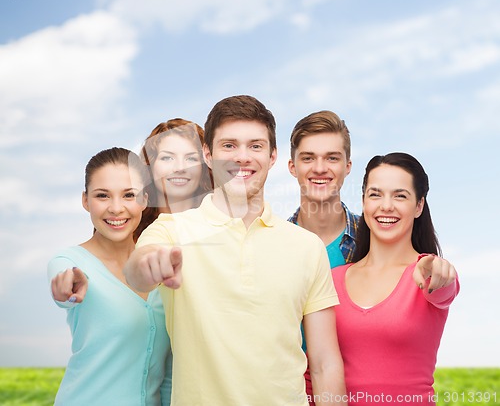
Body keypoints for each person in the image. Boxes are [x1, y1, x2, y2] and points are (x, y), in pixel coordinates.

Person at [124, 95, 348, 406]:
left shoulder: (307, 246)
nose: (242, 157)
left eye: (255, 146)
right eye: (229, 146)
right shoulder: (171, 230)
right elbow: (137, 271)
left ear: (272, 156)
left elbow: (324, 362)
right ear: (208, 154)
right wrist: (150, 264)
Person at [332, 152, 459, 405]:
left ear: (419, 206)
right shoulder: (332, 279)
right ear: (364, 201)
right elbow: (315, 370)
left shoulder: (427, 274)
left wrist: (438, 270)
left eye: (400, 195)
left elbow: (445, 287)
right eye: (375, 194)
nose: (386, 205)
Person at [47, 147, 172, 406]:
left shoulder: (160, 266)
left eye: (129, 195)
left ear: (145, 199)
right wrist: (66, 293)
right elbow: (65, 290)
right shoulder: (70, 263)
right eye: (102, 196)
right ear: (85, 200)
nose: (116, 208)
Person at [288, 111, 359, 405]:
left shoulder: (375, 240)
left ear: (347, 166)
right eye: (308, 158)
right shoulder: (272, 246)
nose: (320, 168)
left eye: (332, 158)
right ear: (292, 166)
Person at [135, 118, 213, 240]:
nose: (180, 168)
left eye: (191, 159)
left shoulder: (225, 225)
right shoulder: (131, 230)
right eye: (167, 158)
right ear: (150, 166)